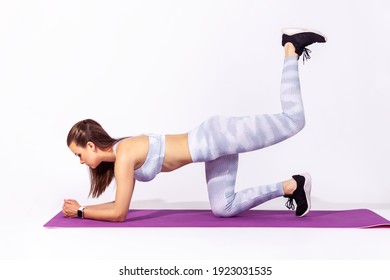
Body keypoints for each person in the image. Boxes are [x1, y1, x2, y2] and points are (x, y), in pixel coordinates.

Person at [63, 28, 327, 222]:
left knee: (293, 120)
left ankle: (291, 47)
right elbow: (120, 203)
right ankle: (294, 185)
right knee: (224, 207)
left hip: (218, 137)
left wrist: (81, 211)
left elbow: (119, 212)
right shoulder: (122, 154)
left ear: (90, 145)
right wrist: (83, 209)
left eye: (79, 154)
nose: (81, 160)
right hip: (212, 149)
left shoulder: (124, 155)